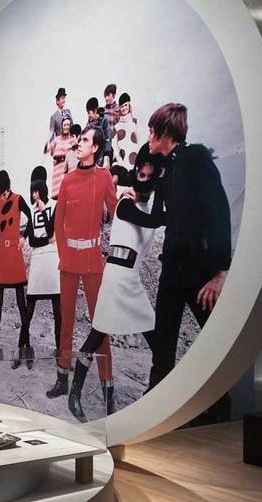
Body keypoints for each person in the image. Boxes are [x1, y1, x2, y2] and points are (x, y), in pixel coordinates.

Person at [145, 103, 231, 391]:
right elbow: (164, 217)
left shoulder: (195, 157)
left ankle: (217, 408)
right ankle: (155, 404)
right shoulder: (166, 169)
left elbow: (218, 211)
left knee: (215, 347)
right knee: (162, 350)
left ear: (164, 131)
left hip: (199, 273)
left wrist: (220, 273)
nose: (148, 136)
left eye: (151, 130)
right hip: (171, 272)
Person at [79, 145, 165, 414]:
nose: (144, 180)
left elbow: (158, 217)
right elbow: (155, 220)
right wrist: (160, 185)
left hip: (131, 280)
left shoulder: (145, 205)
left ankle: (158, 392)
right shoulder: (126, 204)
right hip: (116, 278)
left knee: (155, 339)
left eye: (150, 176)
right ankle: (74, 394)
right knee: (97, 335)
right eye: (141, 174)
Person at [49, 127, 117, 421]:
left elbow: (116, 211)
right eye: (80, 139)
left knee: (100, 325)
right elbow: (58, 222)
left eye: (85, 140)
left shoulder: (103, 177)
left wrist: (130, 200)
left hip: (92, 261)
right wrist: (63, 255)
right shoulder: (67, 180)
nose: (79, 143)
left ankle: (108, 388)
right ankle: (62, 378)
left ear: (96, 148)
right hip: (69, 261)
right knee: (65, 322)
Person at [0, 170, 33, 353]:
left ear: (8, 187)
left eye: (4, 191)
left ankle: (26, 342)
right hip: (2, 254)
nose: (2, 195)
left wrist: (24, 236)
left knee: (21, 300)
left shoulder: (18, 199)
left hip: (15, 252)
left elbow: (31, 217)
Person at [26, 167, 61, 365]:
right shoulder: (31, 211)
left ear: (42, 190)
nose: (34, 195)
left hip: (52, 260)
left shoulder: (54, 206)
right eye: (32, 192)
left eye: (36, 191)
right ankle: (24, 349)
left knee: (58, 311)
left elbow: (51, 230)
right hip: (38, 259)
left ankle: (60, 352)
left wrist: (43, 212)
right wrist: (47, 241)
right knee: (29, 306)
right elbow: (32, 240)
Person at [49, 116, 77, 199]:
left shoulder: (72, 139)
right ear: (61, 126)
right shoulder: (56, 139)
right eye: (64, 125)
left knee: (66, 192)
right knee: (58, 195)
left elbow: (75, 153)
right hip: (57, 169)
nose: (66, 127)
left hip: (67, 168)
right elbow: (50, 151)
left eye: (68, 125)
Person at [112, 93, 140, 170]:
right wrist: (120, 161)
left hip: (134, 160)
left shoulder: (135, 122)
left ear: (129, 106)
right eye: (122, 106)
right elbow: (114, 146)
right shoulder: (116, 126)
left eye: (125, 105)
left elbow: (139, 142)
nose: (124, 108)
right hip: (121, 162)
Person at [86, 97, 112, 167]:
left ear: (95, 111)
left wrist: (106, 156)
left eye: (89, 113)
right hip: (91, 156)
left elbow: (107, 139)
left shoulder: (104, 120)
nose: (88, 116)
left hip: (102, 155)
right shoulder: (88, 124)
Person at [44, 87, 72, 152]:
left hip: (69, 145)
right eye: (62, 98)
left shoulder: (68, 112)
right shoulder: (53, 117)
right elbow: (51, 135)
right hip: (60, 147)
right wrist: (53, 150)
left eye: (64, 98)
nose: (64, 100)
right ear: (57, 101)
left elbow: (72, 127)